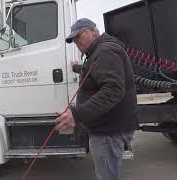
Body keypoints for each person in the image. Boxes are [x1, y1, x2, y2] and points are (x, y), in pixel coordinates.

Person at [55, 18, 138, 180]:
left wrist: (76, 114)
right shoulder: (99, 51)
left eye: (79, 36)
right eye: (74, 40)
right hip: (108, 127)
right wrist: (77, 68)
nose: (77, 42)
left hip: (108, 130)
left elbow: (113, 89)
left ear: (94, 30)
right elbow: (95, 71)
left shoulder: (105, 51)